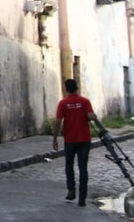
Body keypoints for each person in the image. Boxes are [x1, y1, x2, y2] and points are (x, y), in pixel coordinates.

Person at [52, 78, 99, 207]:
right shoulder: (85, 101)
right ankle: (82, 197)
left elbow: (57, 121)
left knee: (69, 165)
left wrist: (55, 138)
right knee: (83, 168)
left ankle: (71, 190)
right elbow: (90, 115)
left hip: (70, 140)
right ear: (77, 88)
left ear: (66, 89)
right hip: (84, 139)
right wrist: (92, 117)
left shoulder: (63, 103)